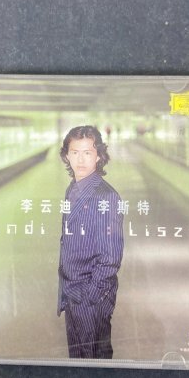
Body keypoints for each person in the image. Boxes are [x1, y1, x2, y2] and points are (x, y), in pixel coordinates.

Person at [57, 125, 124, 359]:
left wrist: (90, 296)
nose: (81, 159)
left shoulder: (107, 196)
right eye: (75, 152)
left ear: (98, 156)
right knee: (78, 360)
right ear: (67, 156)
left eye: (87, 152)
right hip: (72, 293)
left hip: (91, 298)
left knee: (95, 360)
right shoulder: (72, 189)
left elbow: (111, 257)